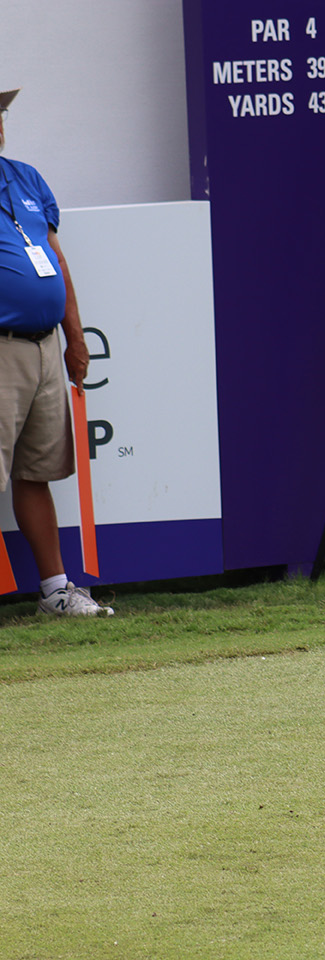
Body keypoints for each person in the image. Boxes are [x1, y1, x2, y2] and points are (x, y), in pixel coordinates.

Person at [0, 87, 112, 616]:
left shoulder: (26, 178)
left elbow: (56, 260)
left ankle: (55, 592)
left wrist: (76, 337)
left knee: (35, 472)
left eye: (0, 114)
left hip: (44, 345)